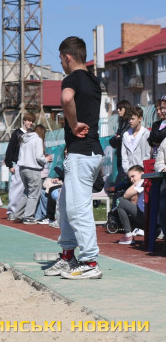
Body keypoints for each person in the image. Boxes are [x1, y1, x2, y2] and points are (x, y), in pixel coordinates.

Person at [44, 36, 104, 280]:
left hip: (81, 153)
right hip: (90, 152)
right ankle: (68, 256)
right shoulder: (93, 80)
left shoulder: (72, 79)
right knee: (65, 207)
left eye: (60, 59)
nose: (61, 64)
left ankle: (90, 262)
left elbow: (66, 99)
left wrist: (72, 124)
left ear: (67, 57)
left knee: (78, 211)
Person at [14, 125, 52, 224]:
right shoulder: (38, 140)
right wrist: (46, 159)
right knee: (34, 194)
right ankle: (28, 217)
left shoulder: (23, 139)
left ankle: (18, 214)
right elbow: (39, 157)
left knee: (27, 192)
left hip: (22, 169)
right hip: (33, 169)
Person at [4, 113, 35, 219]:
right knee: (16, 189)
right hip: (18, 164)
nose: (30, 123)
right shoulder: (17, 133)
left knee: (28, 190)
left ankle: (23, 213)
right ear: (24, 121)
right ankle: (12, 212)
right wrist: (9, 165)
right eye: (29, 120)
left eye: (32, 121)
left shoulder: (33, 134)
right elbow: (10, 149)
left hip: (30, 165)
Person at [116, 165, 145, 245]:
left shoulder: (142, 182)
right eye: (130, 178)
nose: (132, 180)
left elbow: (126, 195)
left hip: (146, 218)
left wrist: (136, 183)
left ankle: (128, 236)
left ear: (142, 173)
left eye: (133, 176)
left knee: (120, 201)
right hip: (151, 218)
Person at [120, 106, 150, 175]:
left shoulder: (146, 133)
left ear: (140, 119)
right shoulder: (126, 135)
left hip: (142, 172)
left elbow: (147, 155)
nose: (130, 121)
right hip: (129, 173)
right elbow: (124, 156)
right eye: (129, 119)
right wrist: (127, 170)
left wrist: (139, 171)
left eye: (133, 119)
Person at [109, 100, 131, 182]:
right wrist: (117, 137)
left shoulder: (129, 122)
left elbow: (124, 138)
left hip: (126, 156)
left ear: (126, 109)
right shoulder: (121, 122)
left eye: (120, 108)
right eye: (117, 108)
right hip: (119, 154)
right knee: (121, 177)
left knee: (122, 179)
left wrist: (118, 137)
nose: (118, 110)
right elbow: (113, 142)